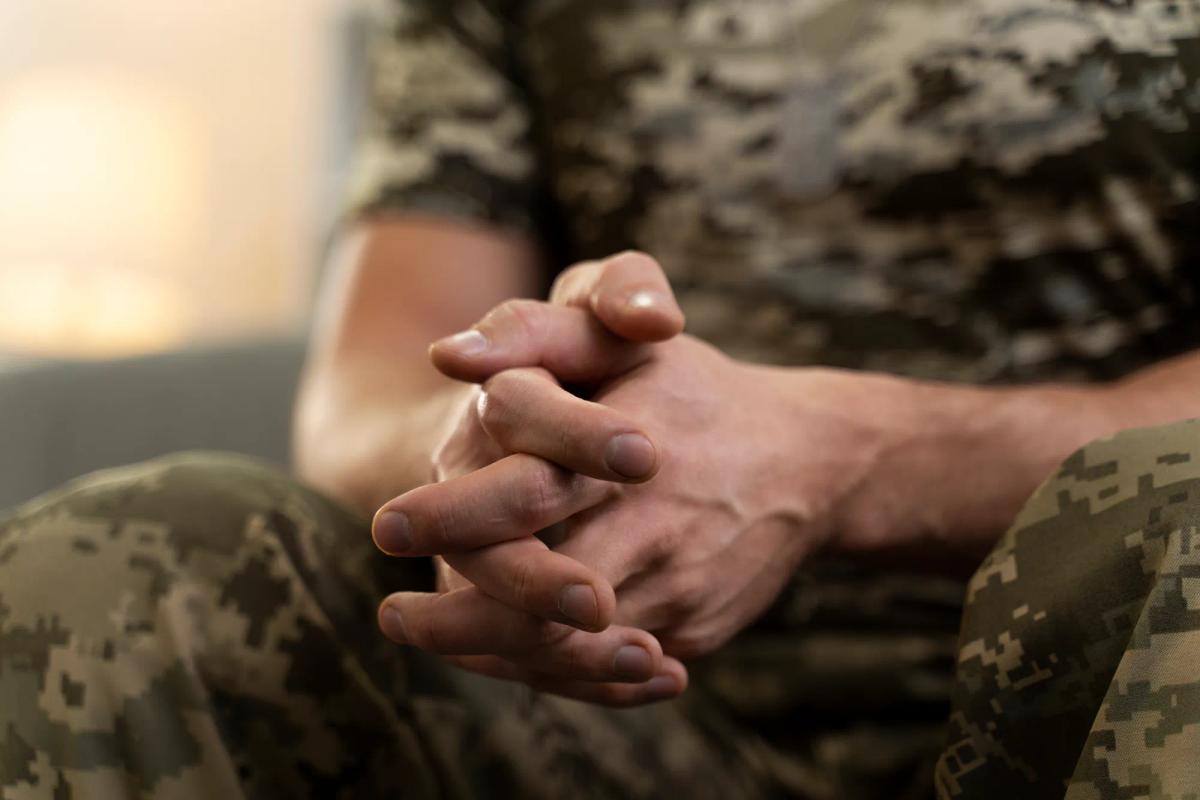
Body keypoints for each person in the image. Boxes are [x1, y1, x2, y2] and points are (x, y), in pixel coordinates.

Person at [2, 1, 1198, 797]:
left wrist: (846, 458)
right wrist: (508, 438)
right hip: (637, 730)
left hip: (1104, 697)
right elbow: (370, 382)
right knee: (136, 552)